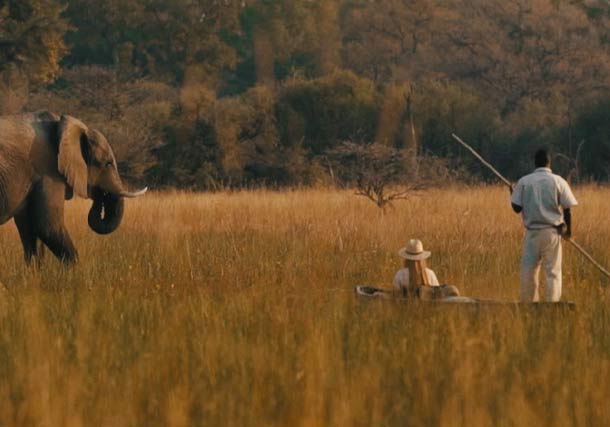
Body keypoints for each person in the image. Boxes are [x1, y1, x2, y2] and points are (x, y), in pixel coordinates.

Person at [510, 148, 578, 302]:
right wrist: (569, 232)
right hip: (552, 233)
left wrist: (512, 193)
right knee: (552, 272)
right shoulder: (558, 181)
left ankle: (529, 304)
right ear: (549, 162)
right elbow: (567, 209)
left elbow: (516, 208)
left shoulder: (524, 182)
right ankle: (551, 306)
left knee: (529, 271)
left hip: (532, 234)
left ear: (535, 163)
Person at [393, 239, 459, 299]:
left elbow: (395, 295)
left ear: (406, 258)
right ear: (422, 258)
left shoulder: (400, 274)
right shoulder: (430, 274)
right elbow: (438, 295)